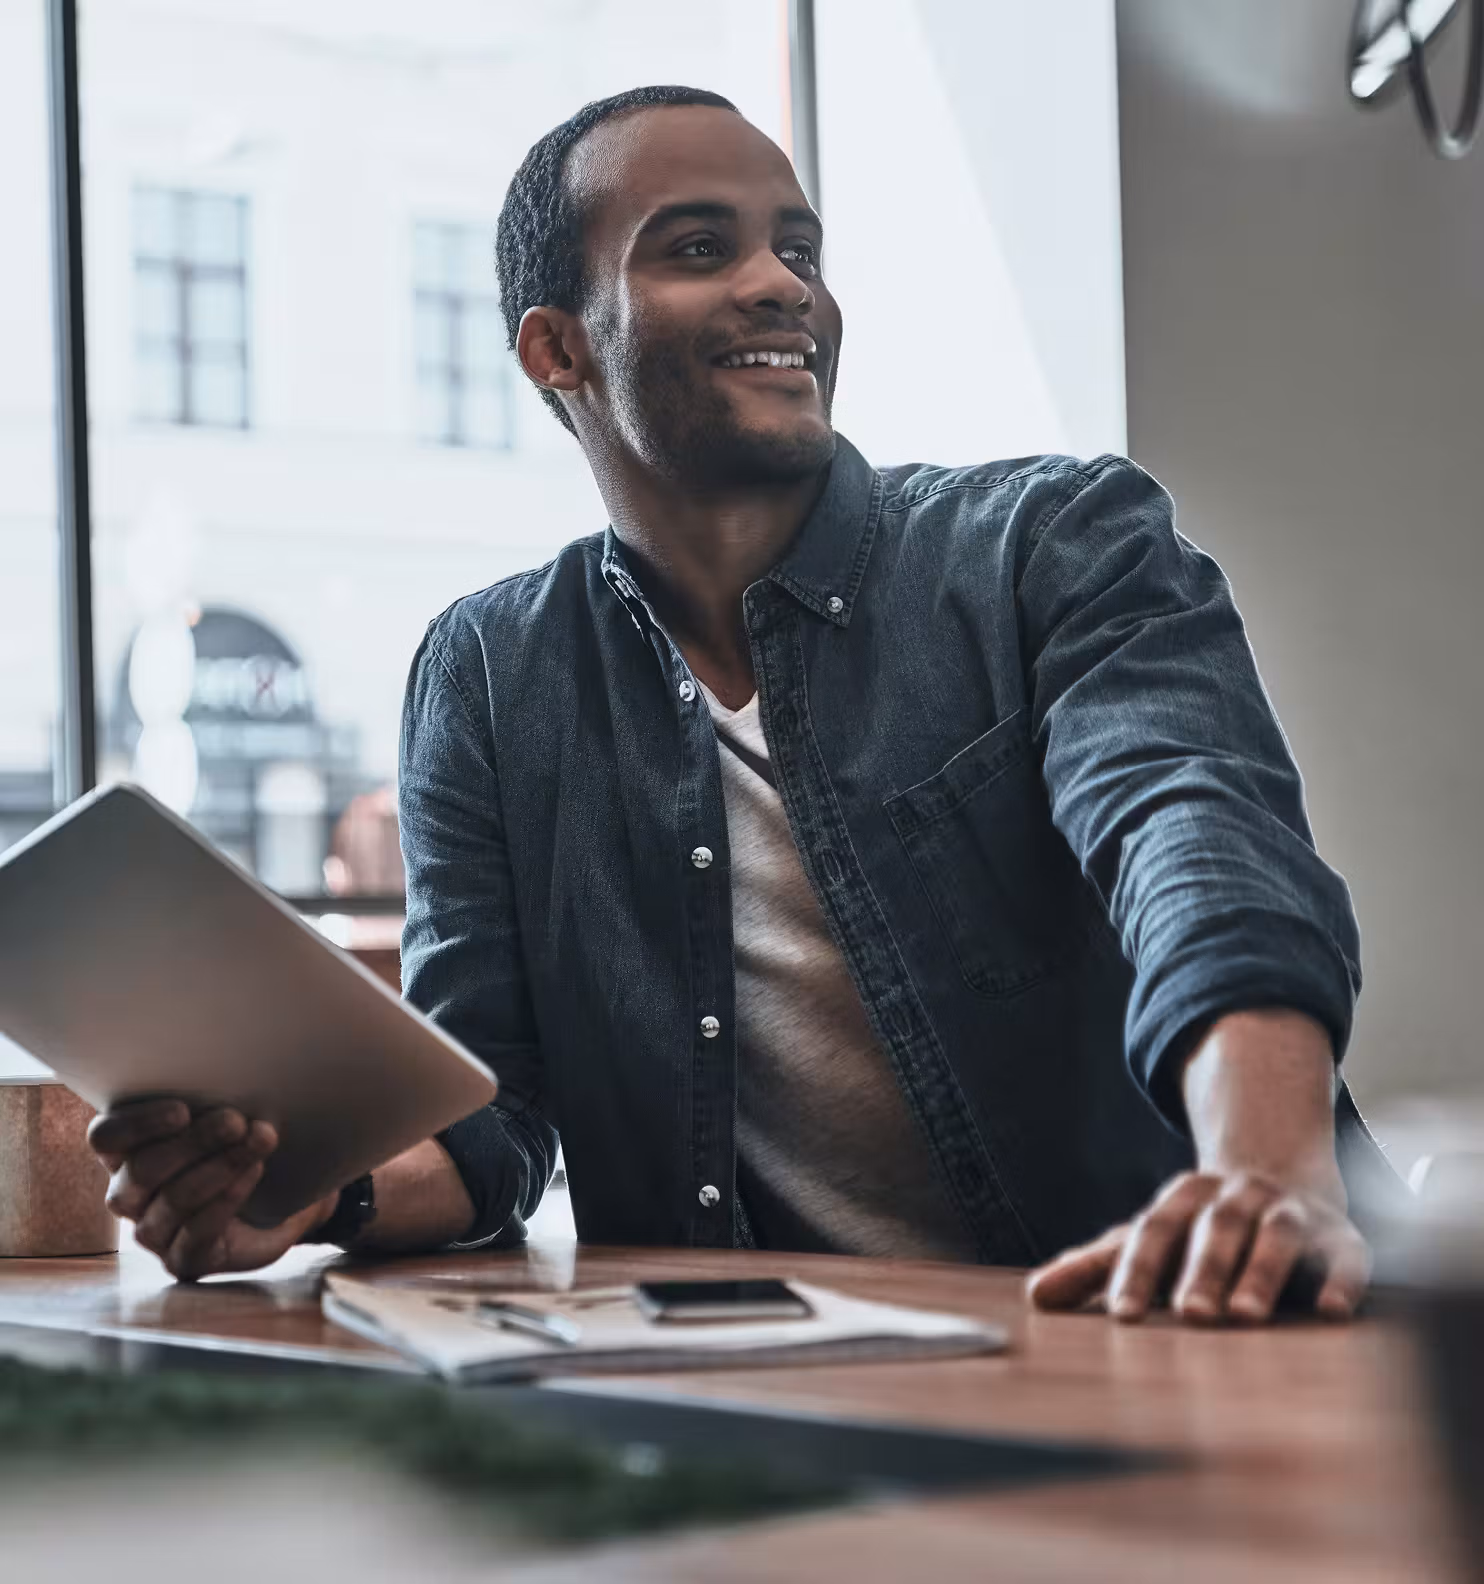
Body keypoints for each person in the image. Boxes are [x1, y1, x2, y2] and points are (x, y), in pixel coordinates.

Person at [90, 85, 1393, 1327]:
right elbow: (490, 1113)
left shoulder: (1049, 543)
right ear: (556, 348)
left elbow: (1201, 846)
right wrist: (324, 1189)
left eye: (799, 248)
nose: (782, 284)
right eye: (699, 247)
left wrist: (1267, 1169)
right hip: (778, 1381)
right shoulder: (490, 673)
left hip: (1193, 1327)